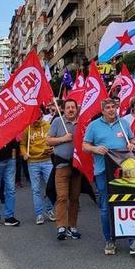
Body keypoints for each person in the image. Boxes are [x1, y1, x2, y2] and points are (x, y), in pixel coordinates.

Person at [84, 99, 135, 256]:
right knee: (106, 207)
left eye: (114, 107)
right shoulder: (94, 126)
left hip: (124, 171)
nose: (112, 110)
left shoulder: (123, 124)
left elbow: (132, 139)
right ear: (103, 110)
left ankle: (133, 241)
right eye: (108, 108)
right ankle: (110, 240)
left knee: (126, 205)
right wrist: (95, 148)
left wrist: (132, 144)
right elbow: (85, 146)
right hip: (103, 172)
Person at [47, 99, 81, 240]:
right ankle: (61, 226)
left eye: (73, 107)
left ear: (76, 109)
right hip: (61, 166)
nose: (71, 109)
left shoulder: (82, 123)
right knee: (62, 197)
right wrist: (63, 139)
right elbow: (48, 140)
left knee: (74, 198)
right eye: (68, 107)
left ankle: (72, 226)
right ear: (63, 109)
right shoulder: (57, 122)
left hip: (77, 167)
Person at [20, 110, 55, 225]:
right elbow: (22, 144)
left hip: (47, 161)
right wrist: (24, 153)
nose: (35, 120)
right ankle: (39, 214)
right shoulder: (27, 128)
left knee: (50, 187)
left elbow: (54, 140)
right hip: (33, 162)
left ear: (41, 116)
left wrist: (53, 149)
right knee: (35, 189)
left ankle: (49, 210)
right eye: (33, 118)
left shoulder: (48, 126)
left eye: (37, 118)